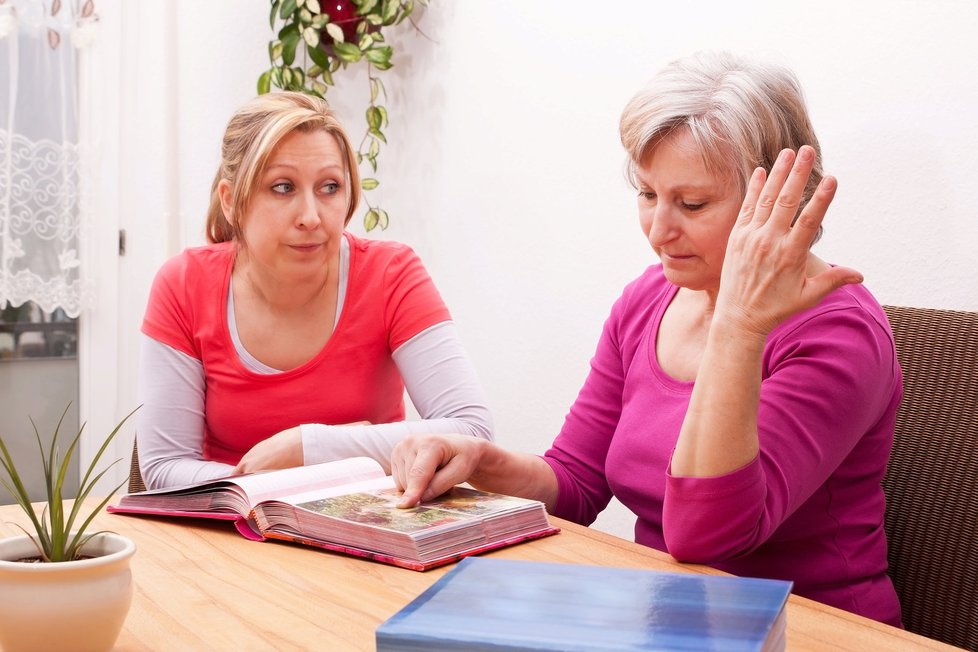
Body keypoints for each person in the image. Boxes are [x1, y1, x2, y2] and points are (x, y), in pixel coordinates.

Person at [391, 51, 903, 627]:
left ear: (780, 200)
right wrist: (479, 460)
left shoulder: (839, 333)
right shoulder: (647, 300)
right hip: (672, 619)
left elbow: (707, 537)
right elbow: (577, 481)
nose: (659, 231)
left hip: (812, 629)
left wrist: (736, 323)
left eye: (692, 204)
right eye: (647, 194)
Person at [136, 92, 492, 489]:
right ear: (232, 201)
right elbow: (164, 468)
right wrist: (312, 472)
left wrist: (310, 445)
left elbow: (472, 431)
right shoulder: (183, 284)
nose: (311, 217)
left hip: (366, 531)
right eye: (283, 187)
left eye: (329, 187)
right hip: (231, 535)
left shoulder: (392, 273)